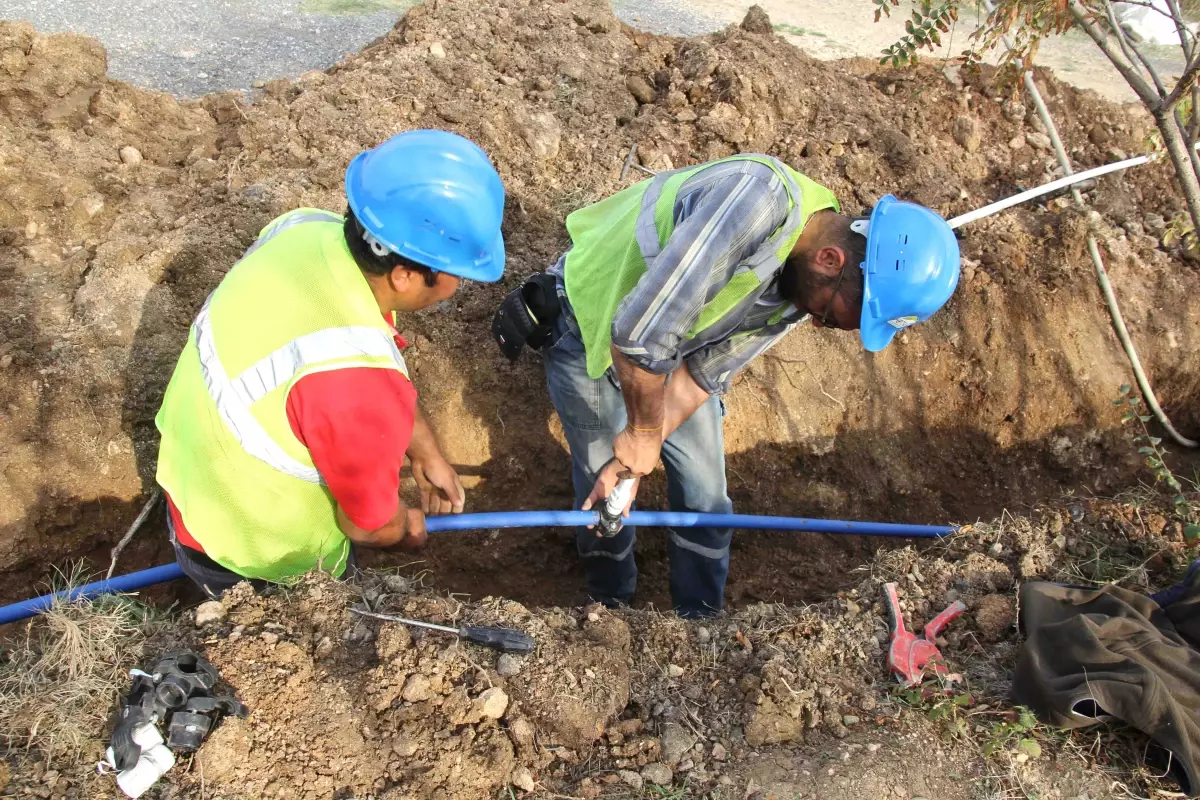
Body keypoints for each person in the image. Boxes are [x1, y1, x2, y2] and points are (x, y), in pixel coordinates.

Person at [494, 153, 959, 618]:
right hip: (588, 325)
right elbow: (638, 335)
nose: (817, 325)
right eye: (829, 315)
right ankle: (608, 607)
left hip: (667, 348)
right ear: (831, 259)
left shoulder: (801, 282)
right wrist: (637, 439)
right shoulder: (753, 201)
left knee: (707, 499)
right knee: (603, 492)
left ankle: (699, 620)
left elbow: (703, 372)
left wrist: (643, 445)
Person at [155, 130, 506, 598]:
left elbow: (356, 362)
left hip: (192, 480)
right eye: (455, 273)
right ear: (404, 275)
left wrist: (424, 450)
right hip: (255, 553)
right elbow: (368, 527)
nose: (459, 284)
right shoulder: (353, 385)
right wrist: (406, 525)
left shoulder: (304, 230)